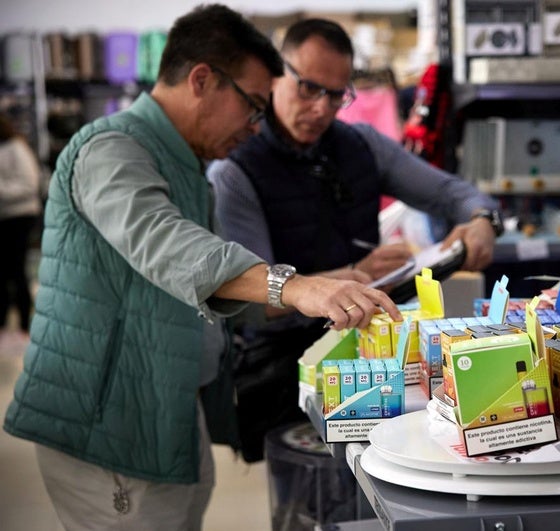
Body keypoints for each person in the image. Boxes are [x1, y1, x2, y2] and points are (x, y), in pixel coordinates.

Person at [3, 6, 400, 530]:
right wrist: (293, 286)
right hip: (111, 424)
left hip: (165, 406)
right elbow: (167, 244)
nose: (257, 126)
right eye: (254, 106)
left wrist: (320, 292)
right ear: (202, 80)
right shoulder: (111, 149)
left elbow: (206, 295)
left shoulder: (186, 165)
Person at [207, 18, 504, 462]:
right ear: (275, 73)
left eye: (336, 94)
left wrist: (482, 218)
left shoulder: (361, 144)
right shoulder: (234, 170)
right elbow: (251, 301)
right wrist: (348, 279)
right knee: (306, 495)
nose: (323, 108)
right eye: (308, 88)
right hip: (285, 372)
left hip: (372, 359)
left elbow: (450, 192)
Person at [0, 113, 43, 342]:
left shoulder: (16, 148)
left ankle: (25, 324)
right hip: (5, 216)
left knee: (16, 269)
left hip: (20, 216)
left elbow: (29, 184)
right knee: (5, 272)